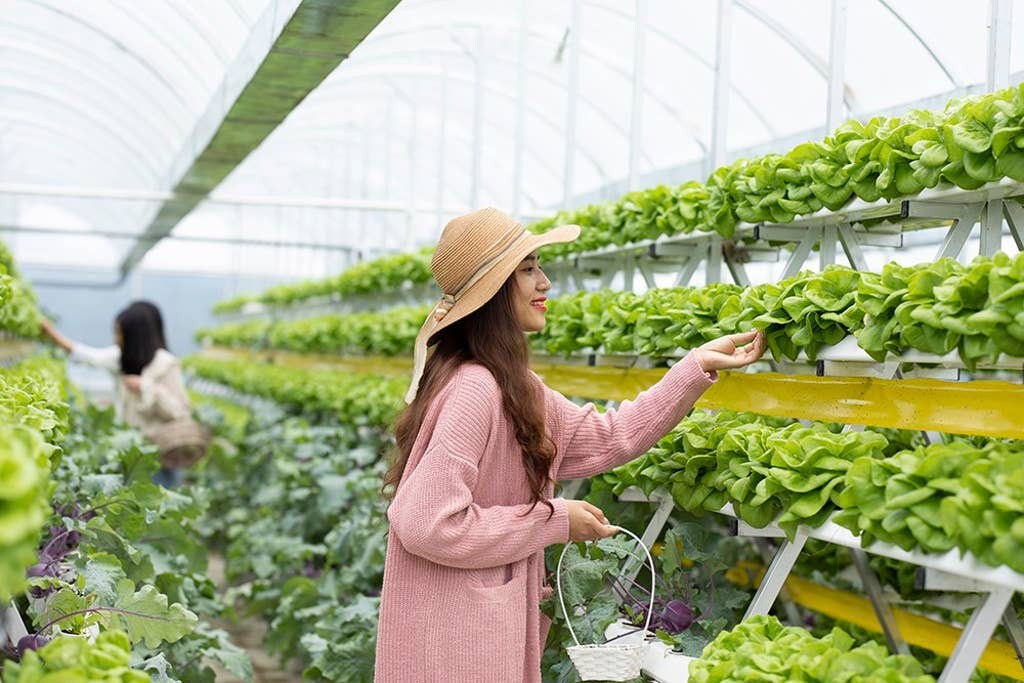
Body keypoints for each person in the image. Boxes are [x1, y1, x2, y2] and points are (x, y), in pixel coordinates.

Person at [374, 208, 767, 683]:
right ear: (494, 289)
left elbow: (609, 436)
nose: (545, 282)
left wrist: (694, 367)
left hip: (472, 627)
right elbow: (427, 523)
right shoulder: (475, 389)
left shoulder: (514, 384)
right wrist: (555, 520)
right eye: (528, 269)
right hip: (458, 642)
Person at [40, 301, 194, 487]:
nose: (116, 338)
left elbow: (179, 411)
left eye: (120, 332)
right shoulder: (121, 358)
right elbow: (86, 355)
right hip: (131, 451)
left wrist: (146, 387)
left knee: (159, 504)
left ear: (135, 336)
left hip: (160, 454)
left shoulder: (166, 364)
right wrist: (51, 333)